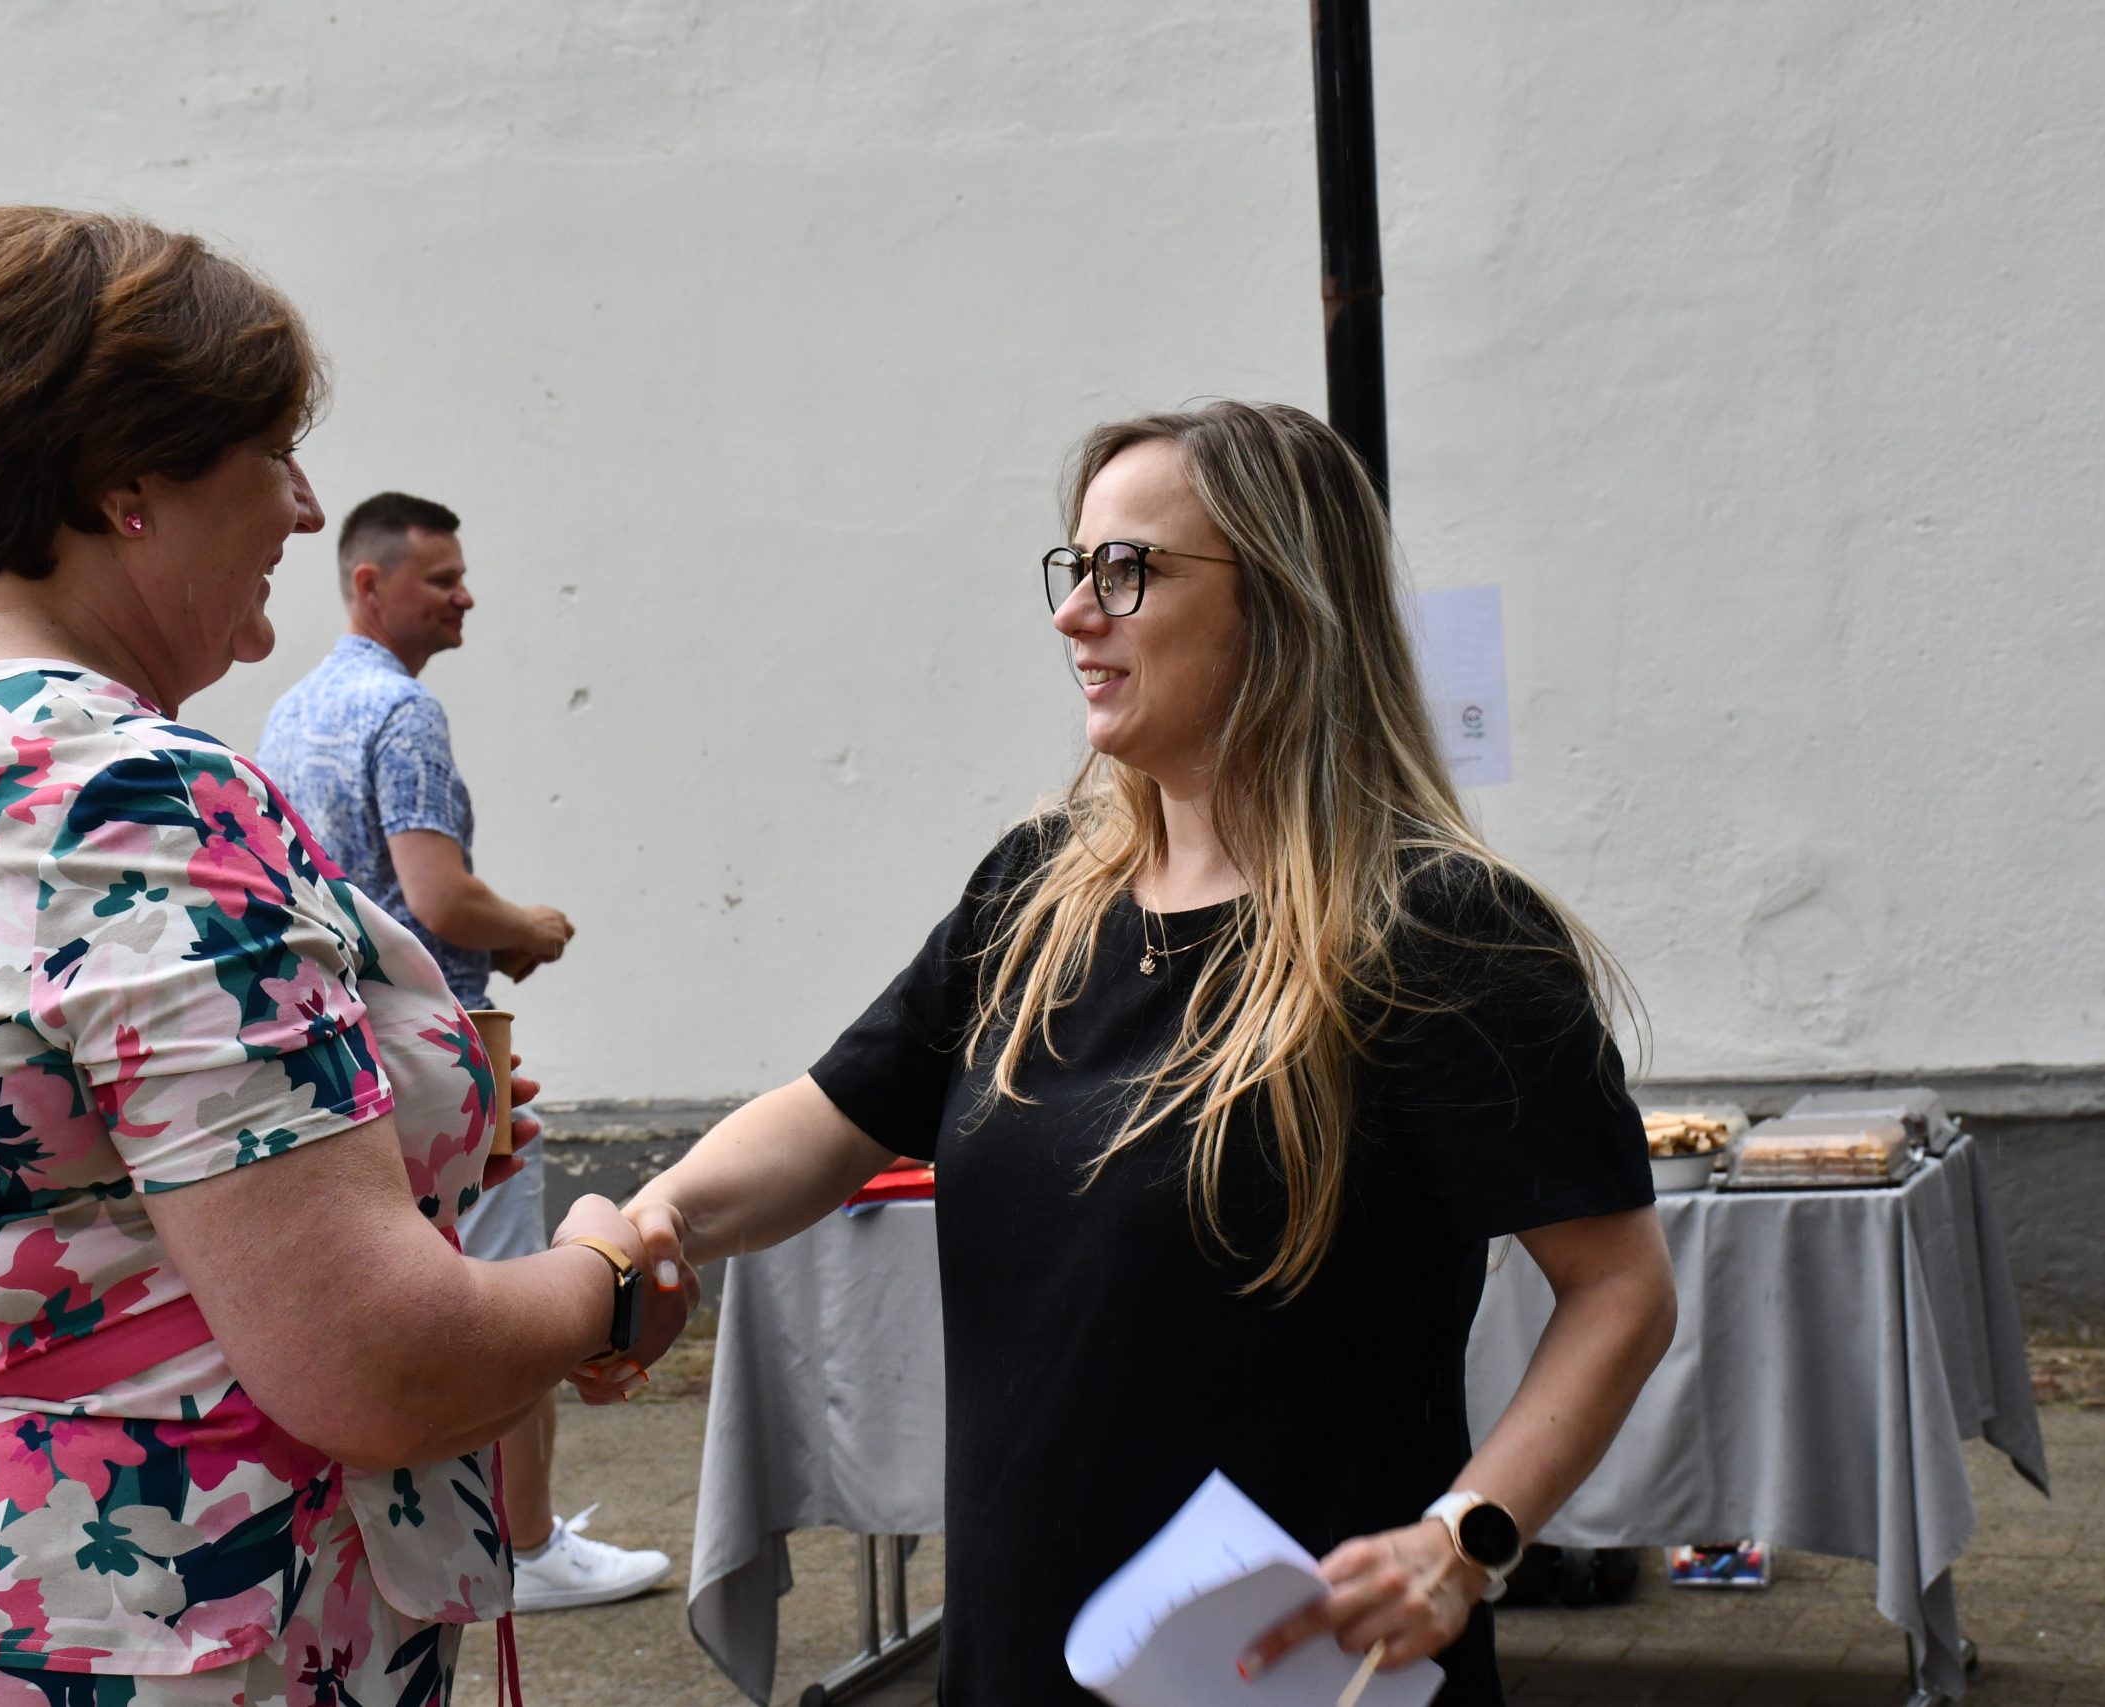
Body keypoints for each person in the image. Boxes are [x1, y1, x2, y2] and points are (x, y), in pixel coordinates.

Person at [0, 204, 689, 1707]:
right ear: (128, 490)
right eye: (272, 452)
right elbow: (375, 1362)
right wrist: (610, 1276)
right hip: (141, 1639)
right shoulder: (133, 794)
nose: (305, 508)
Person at [614, 402, 1679, 1705]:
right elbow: (832, 1119)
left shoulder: (1435, 929)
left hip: (1293, 1677)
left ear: (1280, 602)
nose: (1076, 615)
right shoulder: (1037, 893)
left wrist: (1464, 1539)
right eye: (1076, 568)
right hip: (1023, 1657)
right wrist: (655, 1218)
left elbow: (1620, 1287)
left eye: (1128, 570)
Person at [260, 494, 670, 1612]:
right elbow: (436, 896)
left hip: (340, 1061)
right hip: (442, 1062)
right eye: (440, 578)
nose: (465, 596)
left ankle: (447, 1541)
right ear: (368, 583)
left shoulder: (292, 711)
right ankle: (526, 1547)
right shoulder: (403, 711)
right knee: (507, 1300)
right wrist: (528, 925)